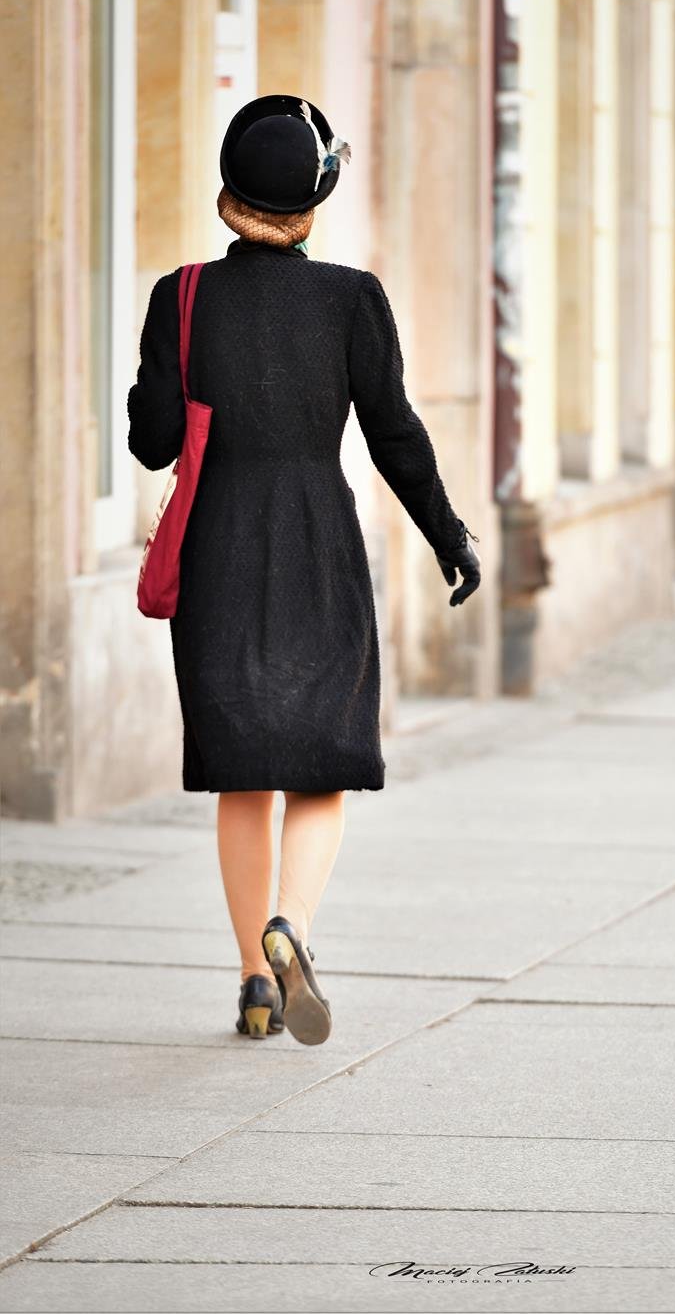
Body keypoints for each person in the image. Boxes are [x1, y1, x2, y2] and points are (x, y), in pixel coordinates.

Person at [127, 94, 480, 1047]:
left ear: (229, 191)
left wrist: (160, 381)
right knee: (321, 763)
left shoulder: (180, 294)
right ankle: (292, 922)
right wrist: (450, 536)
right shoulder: (351, 298)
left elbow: (152, 442)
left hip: (217, 552)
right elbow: (395, 436)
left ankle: (254, 976)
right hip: (319, 543)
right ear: (313, 202)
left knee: (242, 771)